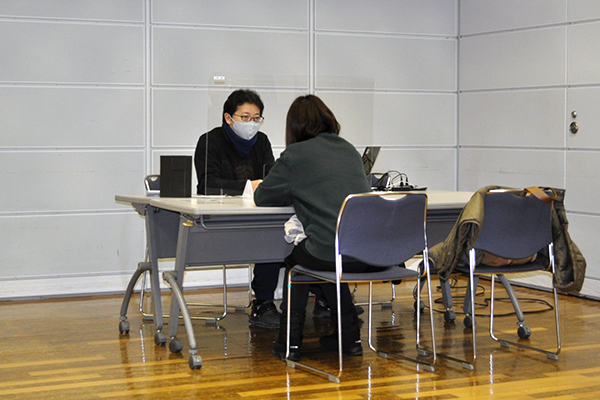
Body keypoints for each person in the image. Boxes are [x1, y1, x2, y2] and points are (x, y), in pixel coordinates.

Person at [253, 94, 377, 361]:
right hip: (367, 251)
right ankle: (349, 338)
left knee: (299, 263)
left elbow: (262, 197)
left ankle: (290, 343)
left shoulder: (295, 155)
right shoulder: (349, 150)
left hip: (332, 249)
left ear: (294, 126)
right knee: (327, 258)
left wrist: (293, 193)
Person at [194, 89, 281, 329]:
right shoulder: (210, 141)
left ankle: (321, 297)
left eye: (256, 118)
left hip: (259, 217)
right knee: (270, 238)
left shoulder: (262, 142)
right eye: (245, 117)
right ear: (228, 117)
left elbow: (272, 178)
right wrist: (247, 187)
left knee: (282, 233)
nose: (251, 123)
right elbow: (207, 185)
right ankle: (263, 304)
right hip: (221, 222)